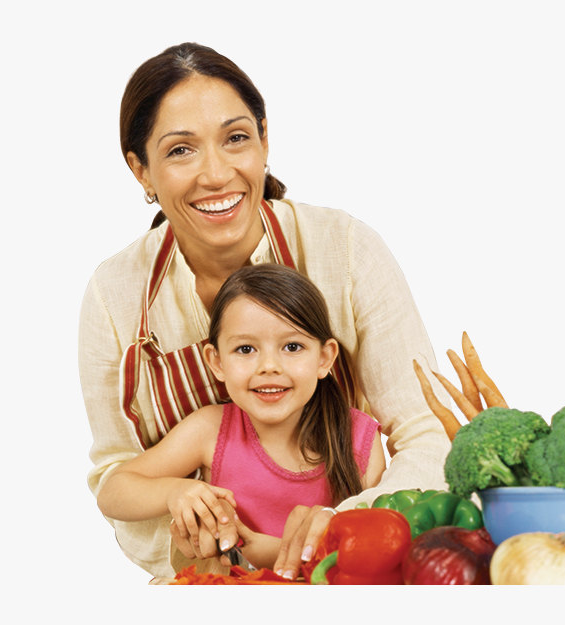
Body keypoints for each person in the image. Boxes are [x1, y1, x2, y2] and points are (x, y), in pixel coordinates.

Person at [79, 42, 452, 581]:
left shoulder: (345, 249)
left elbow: (427, 431)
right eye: (181, 150)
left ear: (264, 141)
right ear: (141, 171)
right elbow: (116, 477)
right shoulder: (114, 293)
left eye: (236, 139)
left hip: (343, 572)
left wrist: (345, 524)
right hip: (205, 581)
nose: (216, 174)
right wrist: (196, 535)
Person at [97, 264, 386, 574]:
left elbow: (375, 556)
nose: (269, 366)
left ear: (324, 358)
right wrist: (175, 492)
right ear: (216, 362)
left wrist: (267, 550)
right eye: (245, 348)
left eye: (292, 346)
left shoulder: (360, 439)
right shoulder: (210, 429)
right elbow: (113, 491)